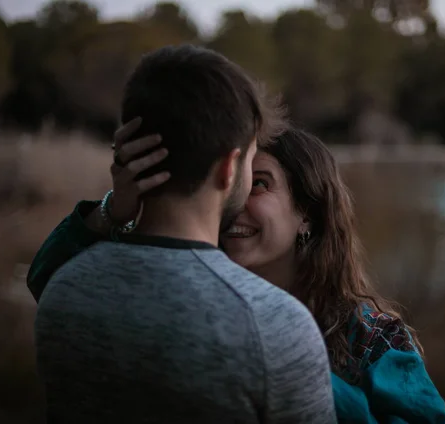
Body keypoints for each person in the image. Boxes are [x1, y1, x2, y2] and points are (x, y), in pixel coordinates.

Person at [29, 125, 445, 423]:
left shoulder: (373, 338)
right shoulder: (186, 300)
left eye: (260, 185)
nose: (234, 206)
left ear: (308, 213)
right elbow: (50, 280)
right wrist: (114, 211)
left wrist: (290, 370)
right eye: (230, 188)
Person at [32, 45, 336, 424]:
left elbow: (43, 278)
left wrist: (111, 212)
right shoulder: (274, 325)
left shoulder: (67, 288)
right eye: (250, 164)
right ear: (229, 169)